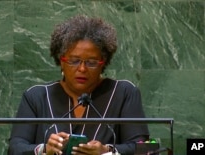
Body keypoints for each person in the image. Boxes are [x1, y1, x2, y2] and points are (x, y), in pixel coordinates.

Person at [8, 15, 149, 155]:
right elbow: (15, 148)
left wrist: (107, 151)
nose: (82, 69)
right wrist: (45, 149)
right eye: (74, 61)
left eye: (91, 62)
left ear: (103, 63)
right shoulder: (36, 97)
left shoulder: (123, 93)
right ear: (61, 60)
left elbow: (144, 149)